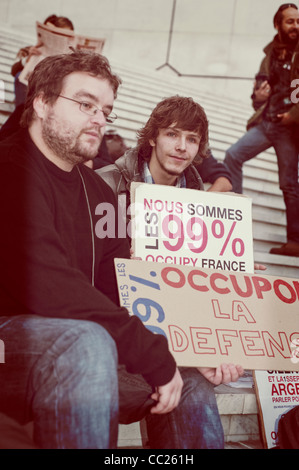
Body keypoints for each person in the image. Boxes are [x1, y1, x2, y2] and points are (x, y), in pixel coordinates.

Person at [0, 51, 242, 450]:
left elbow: (121, 285)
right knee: (85, 341)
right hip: (12, 343)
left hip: (80, 342)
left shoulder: (96, 191)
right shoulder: (10, 168)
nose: (98, 118)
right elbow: (48, 284)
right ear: (41, 103)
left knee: (190, 382)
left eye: (105, 110)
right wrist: (149, 352)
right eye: (85, 104)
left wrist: (186, 347)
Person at [97, 95, 244, 448]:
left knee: (194, 383)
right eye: (172, 135)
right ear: (152, 137)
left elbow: (195, 291)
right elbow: (87, 276)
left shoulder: (200, 203)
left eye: (191, 139)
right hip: (113, 335)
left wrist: (232, 274)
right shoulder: (104, 185)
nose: (181, 148)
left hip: (170, 344)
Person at [224, 3, 299, 258]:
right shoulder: (269, 55)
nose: (295, 26)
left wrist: (293, 116)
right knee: (233, 155)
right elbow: (257, 96)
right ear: (278, 25)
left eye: (298, 22)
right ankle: (237, 222)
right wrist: (257, 96)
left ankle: (295, 241)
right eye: (290, 22)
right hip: (267, 123)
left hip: (289, 129)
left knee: (289, 184)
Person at [11, 14, 74, 107]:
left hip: (52, 102)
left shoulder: (71, 59)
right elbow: (14, 71)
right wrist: (28, 59)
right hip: (27, 102)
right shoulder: (30, 50)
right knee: (19, 76)